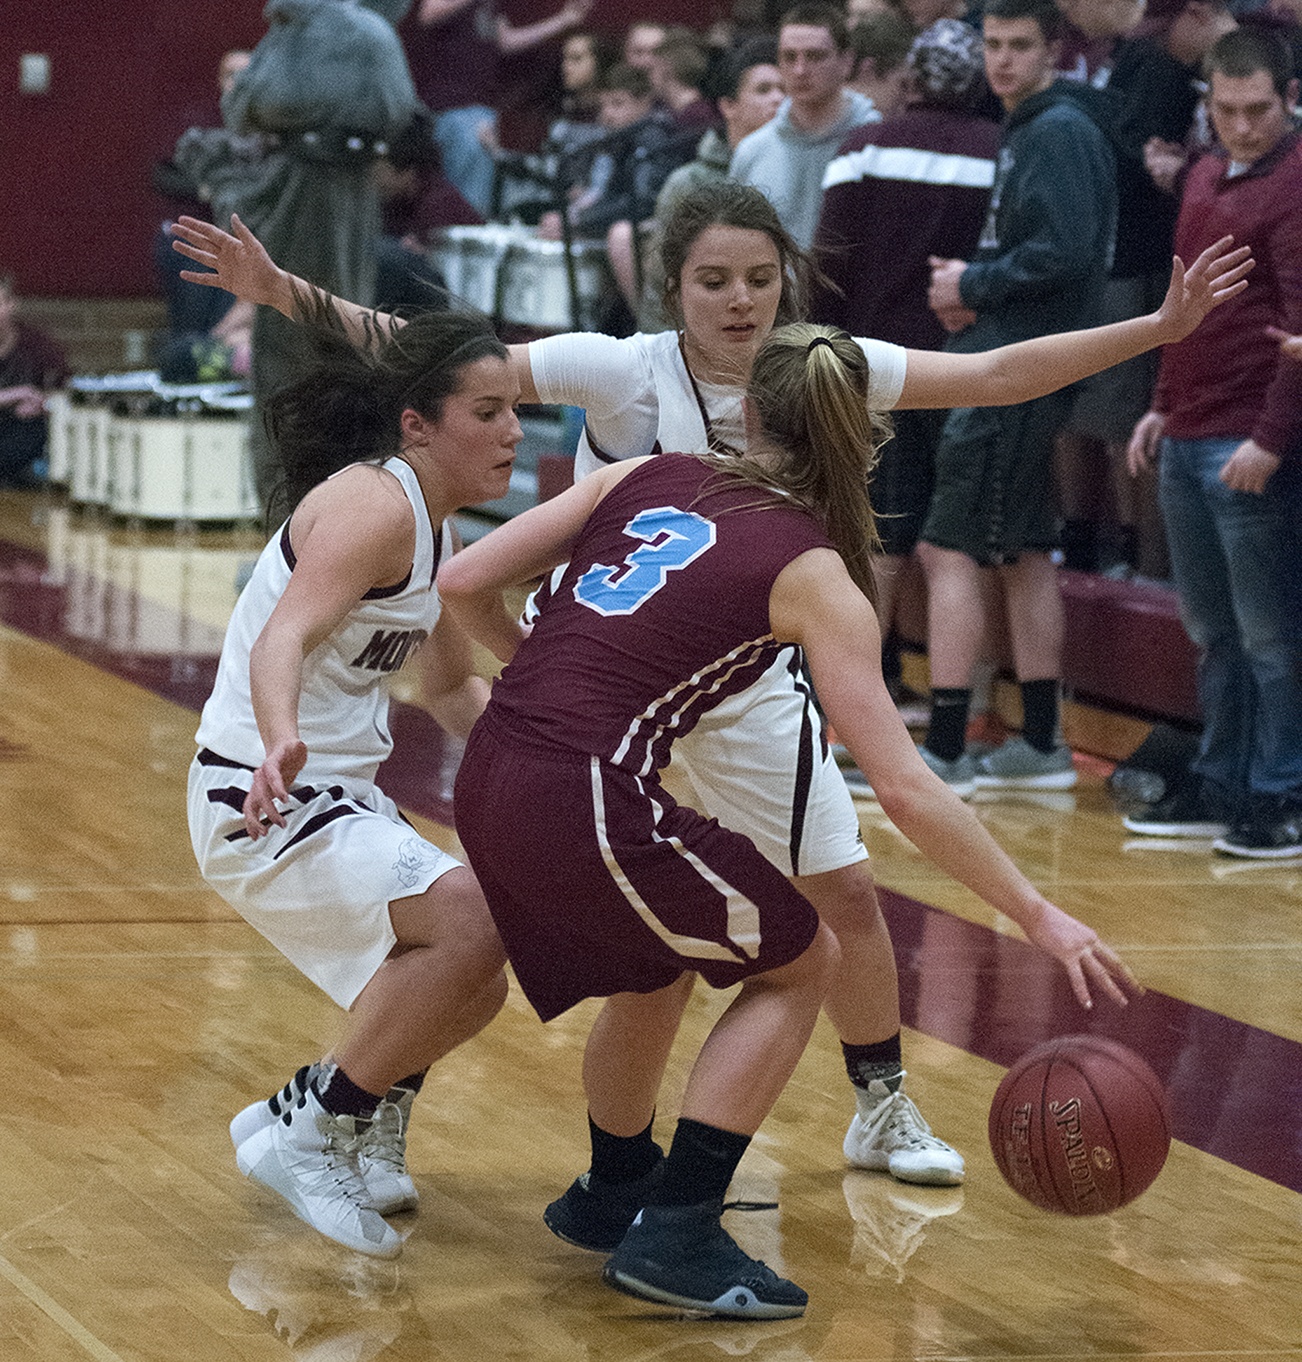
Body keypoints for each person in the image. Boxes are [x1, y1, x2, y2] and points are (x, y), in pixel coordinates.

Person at [169, 176, 1250, 1201]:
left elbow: (1000, 375)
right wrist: (284, 294)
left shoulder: (818, 373)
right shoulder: (624, 371)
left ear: (787, 281)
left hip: (743, 687)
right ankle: (405, 1115)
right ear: (672, 288)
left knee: (844, 896)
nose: (740, 301)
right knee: (485, 920)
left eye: (759, 279)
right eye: (714, 281)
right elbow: (437, 359)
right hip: (600, 680)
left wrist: (1154, 333)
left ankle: (877, 1108)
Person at [435, 322, 1143, 1318]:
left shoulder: (652, 469)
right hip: (582, 789)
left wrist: (545, 682)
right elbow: (905, 789)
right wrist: (1037, 912)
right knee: (800, 957)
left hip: (494, 764)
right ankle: (678, 1232)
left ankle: (614, 1192)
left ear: (749, 413)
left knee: (657, 965)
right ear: (867, 441)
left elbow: (462, 581)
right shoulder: (814, 573)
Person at [187, 307, 516, 1258]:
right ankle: (315, 1130)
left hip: (334, 796)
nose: (508, 432)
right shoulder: (375, 506)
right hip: (260, 793)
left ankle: (340, 1113)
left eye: (512, 411)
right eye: (486, 412)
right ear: (418, 425)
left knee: (477, 978)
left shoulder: (436, 531)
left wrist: (560, 770)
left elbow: (450, 686)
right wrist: (282, 739)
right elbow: (283, 633)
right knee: (474, 918)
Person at [920, 0, 1118, 795]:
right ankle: (1039, 743)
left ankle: (943, 749)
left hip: (1018, 368)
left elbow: (1066, 257)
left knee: (948, 549)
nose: (1001, 59)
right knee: (1025, 550)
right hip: (1021, 360)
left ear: (1053, 50)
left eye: (1017, 45)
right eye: (991, 45)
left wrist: (973, 280)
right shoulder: (1038, 123)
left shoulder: (1057, 129)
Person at [1122, 27, 1302, 859]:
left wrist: (1270, 439)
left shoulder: (1297, 183)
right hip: (1189, 429)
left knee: (1269, 635)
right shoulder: (1199, 173)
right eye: (1226, 110)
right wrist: (1161, 402)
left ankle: (1278, 793)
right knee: (1212, 631)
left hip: (1249, 441)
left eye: (1258, 109)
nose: (1242, 125)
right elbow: (1180, 307)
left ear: (1288, 98)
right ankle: (1221, 778)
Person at [812, 18, 1000, 732]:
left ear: (912, 76)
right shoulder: (997, 150)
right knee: (954, 552)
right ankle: (962, 718)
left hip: (869, 374)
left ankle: (852, 718)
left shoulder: (863, 147)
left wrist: (808, 360)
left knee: (874, 550)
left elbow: (825, 266)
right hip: (964, 376)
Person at [222, 0, 421, 501]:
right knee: (343, 339)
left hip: (303, 192)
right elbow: (401, 110)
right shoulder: (375, 29)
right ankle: (339, 513)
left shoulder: (306, 23)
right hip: (355, 194)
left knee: (289, 354)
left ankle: (288, 523)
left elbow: (251, 102)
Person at [400, 0, 593, 218]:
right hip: (453, 107)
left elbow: (504, 41)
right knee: (465, 198)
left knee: (485, 189)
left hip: (480, 109)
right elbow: (428, 13)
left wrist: (562, 21)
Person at [730, 3, 881, 248]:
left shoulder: (874, 144)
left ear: (846, 61)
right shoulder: (752, 151)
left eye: (815, 56)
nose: (800, 70)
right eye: (789, 57)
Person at [0, 274, 68, 487]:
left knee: (31, 431)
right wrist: (16, 394)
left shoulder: (37, 346)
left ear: (11, 304)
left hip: (20, 436)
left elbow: (65, 392)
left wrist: (41, 403)